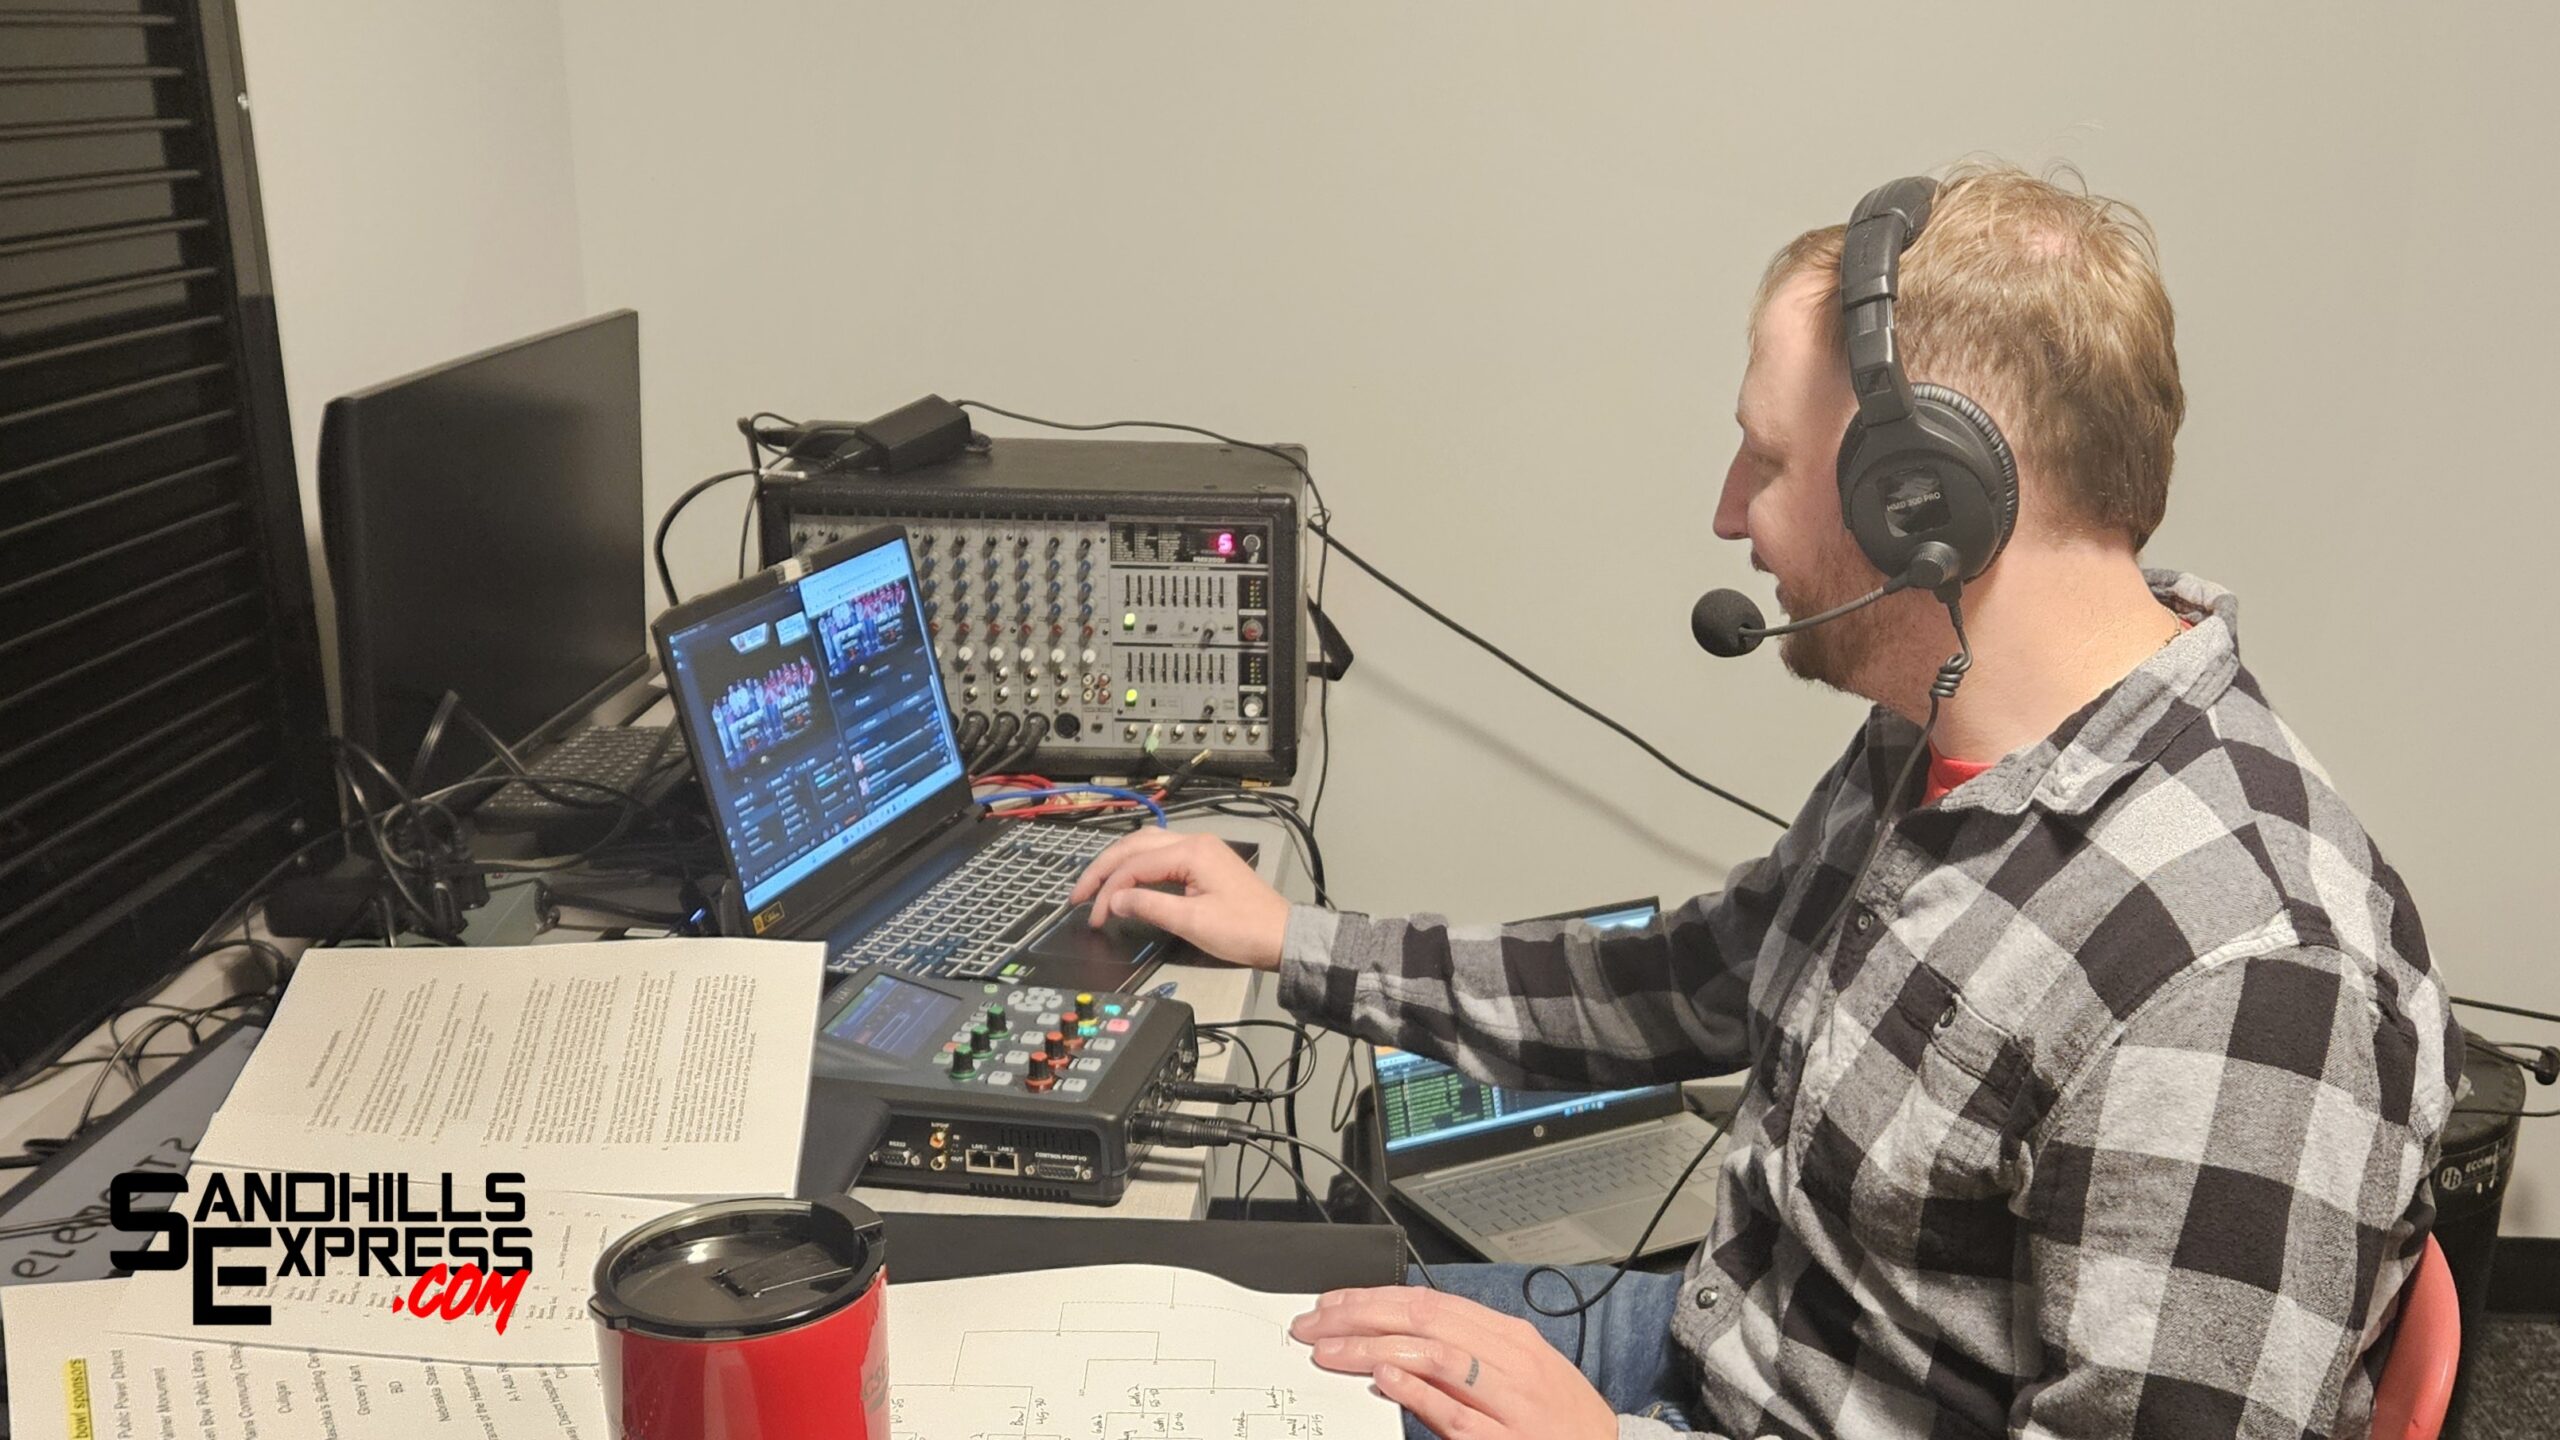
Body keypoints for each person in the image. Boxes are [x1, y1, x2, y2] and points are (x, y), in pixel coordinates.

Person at [1070, 166, 2459, 1440]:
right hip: (1720, 1350)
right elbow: (1685, 981)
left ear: (1924, 503)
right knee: (1166, 1352)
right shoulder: (1939, 736)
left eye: (1768, 461)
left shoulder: (2246, 981)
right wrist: (1294, 942)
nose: (1730, 514)